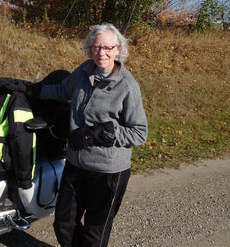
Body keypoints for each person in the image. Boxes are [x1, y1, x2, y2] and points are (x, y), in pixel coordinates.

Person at [33, 22, 148, 247]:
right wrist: (31, 90)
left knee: (95, 235)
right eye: (96, 47)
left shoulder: (127, 86)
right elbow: (61, 90)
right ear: (90, 48)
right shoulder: (84, 71)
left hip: (108, 172)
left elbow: (139, 133)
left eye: (107, 48)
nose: (101, 53)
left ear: (118, 50)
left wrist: (97, 134)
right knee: (64, 225)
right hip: (76, 164)